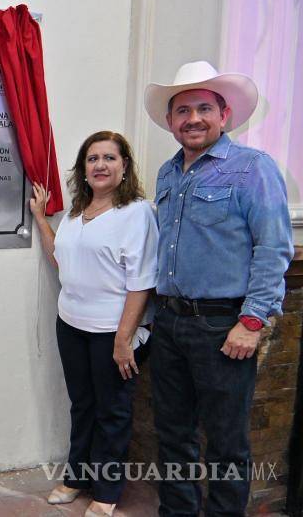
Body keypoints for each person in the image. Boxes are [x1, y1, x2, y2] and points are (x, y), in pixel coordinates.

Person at [144, 61, 294, 516]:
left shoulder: (253, 168)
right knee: (173, 436)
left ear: (224, 115)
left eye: (204, 108)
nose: (193, 118)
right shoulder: (168, 174)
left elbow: (273, 248)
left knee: (226, 444)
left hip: (222, 327)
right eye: (183, 110)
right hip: (169, 322)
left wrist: (251, 321)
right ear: (170, 122)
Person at [31, 131, 158, 517]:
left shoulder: (137, 213)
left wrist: (124, 339)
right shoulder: (75, 212)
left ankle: (106, 491)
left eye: (109, 158)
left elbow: (142, 282)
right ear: (83, 169)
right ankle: (77, 477)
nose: (100, 165)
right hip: (71, 324)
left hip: (112, 332)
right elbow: (62, 259)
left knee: (112, 411)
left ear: (124, 167)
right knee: (82, 405)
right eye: (92, 159)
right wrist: (40, 217)